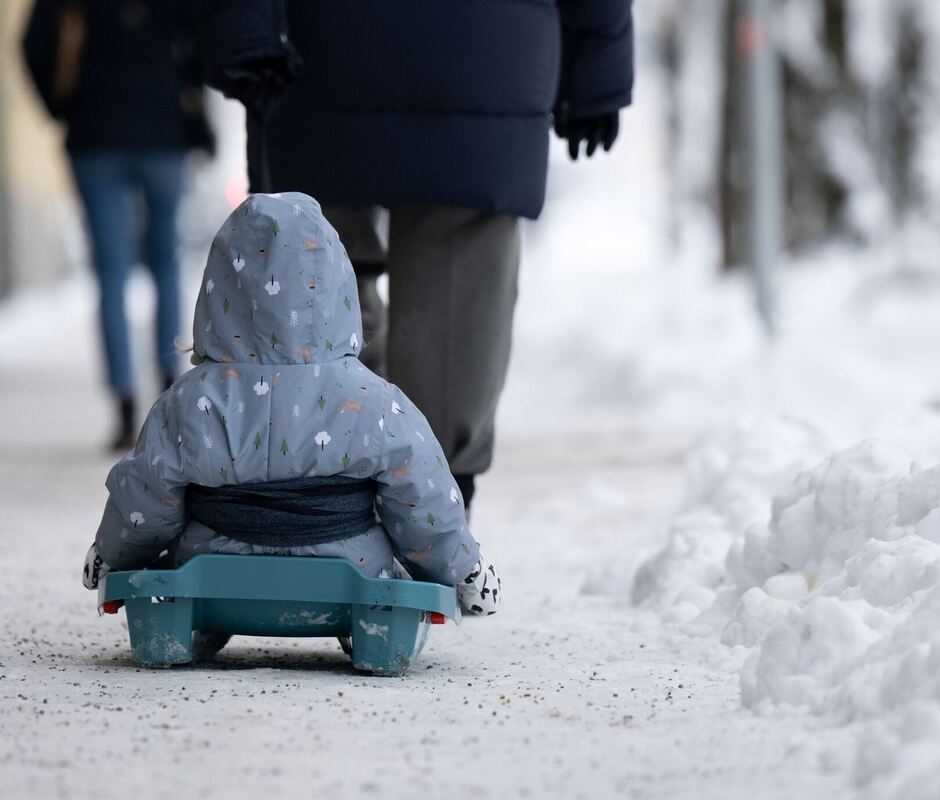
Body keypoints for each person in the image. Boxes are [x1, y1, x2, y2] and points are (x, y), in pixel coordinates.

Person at [196, 0, 635, 510]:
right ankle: (432, 500)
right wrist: (596, 63)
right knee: (457, 283)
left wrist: (241, 28)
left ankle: (324, 489)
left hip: (320, 51)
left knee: (310, 272)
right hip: (482, 51)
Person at [80, 193, 500, 624]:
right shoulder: (374, 401)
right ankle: (371, 636)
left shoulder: (188, 401)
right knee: (386, 574)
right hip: (351, 578)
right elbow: (421, 496)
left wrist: (112, 556)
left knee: (180, 563)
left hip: (212, 578)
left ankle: (191, 629)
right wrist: (465, 572)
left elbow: (145, 496)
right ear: (339, 294)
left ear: (218, 290)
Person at [22, 0, 215, 451]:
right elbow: (206, 38)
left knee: (111, 272)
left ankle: (124, 406)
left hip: (95, 133)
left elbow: (32, 44)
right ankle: (170, 396)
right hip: (162, 130)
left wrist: (62, 104)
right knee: (165, 263)